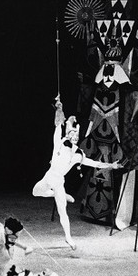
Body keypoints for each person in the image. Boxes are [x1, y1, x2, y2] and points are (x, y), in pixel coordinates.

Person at [33, 98, 122, 250]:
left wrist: (111, 166)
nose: (73, 137)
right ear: (67, 134)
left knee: (63, 212)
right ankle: (55, 194)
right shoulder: (59, 143)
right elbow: (58, 123)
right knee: (35, 192)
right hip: (49, 176)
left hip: (58, 182)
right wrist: (59, 108)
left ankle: (69, 238)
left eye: (76, 136)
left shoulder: (77, 155)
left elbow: (95, 164)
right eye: (71, 134)